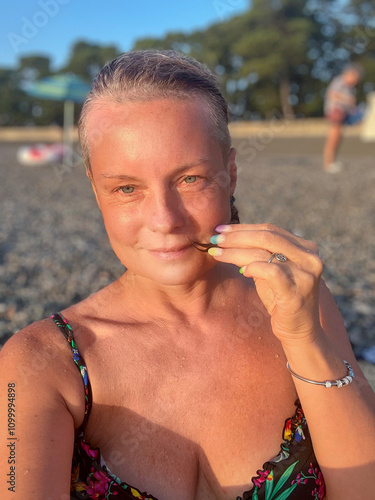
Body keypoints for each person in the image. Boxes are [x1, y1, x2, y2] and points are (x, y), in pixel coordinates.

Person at [1, 50, 374, 500]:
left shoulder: (298, 302)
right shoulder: (40, 363)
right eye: (126, 188)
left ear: (230, 173)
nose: (164, 220)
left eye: (190, 180)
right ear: (96, 189)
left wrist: (304, 341)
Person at [323, 63, 364, 173]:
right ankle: (328, 163)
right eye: (355, 78)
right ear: (350, 74)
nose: (355, 81)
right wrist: (348, 99)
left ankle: (332, 161)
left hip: (343, 114)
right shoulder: (340, 81)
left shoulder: (351, 88)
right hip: (335, 112)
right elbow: (332, 94)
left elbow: (351, 105)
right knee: (333, 137)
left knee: (338, 138)